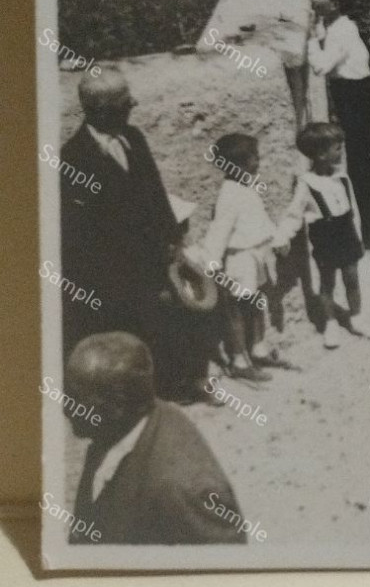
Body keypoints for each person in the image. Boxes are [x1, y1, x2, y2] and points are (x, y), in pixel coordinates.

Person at [58, 68, 214, 404]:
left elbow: (156, 193)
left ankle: (177, 385)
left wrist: (174, 241)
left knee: (167, 320)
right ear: (103, 109)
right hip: (112, 271)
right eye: (126, 100)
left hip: (153, 259)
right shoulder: (72, 158)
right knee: (127, 333)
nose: (134, 104)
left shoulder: (135, 138)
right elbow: (80, 232)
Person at [66, 332, 247, 545]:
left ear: (115, 407)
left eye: (76, 399)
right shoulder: (116, 428)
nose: (65, 407)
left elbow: (220, 573)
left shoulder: (187, 491)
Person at [308, 0, 370, 247]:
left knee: (360, 162)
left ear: (335, 4)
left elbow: (321, 66)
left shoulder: (342, 31)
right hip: (356, 94)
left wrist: (309, 40)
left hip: (353, 96)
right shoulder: (336, 26)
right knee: (367, 157)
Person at [276, 122, 370, 348]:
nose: (342, 151)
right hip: (325, 237)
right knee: (327, 282)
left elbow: (353, 211)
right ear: (321, 155)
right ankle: (330, 322)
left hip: (346, 232)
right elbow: (294, 214)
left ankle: (356, 317)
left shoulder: (342, 178)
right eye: (337, 148)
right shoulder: (307, 184)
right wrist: (282, 236)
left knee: (352, 278)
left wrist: (360, 236)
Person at [199, 133, 284, 383]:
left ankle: (257, 348)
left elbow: (259, 218)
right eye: (253, 159)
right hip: (239, 259)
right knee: (236, 310)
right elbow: (219, 230)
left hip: (256, 255)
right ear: (236, 165)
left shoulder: (246, 187)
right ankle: (237, 359)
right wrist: (212, 263)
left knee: (257, 302)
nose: (258, 163)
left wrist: (277, 239)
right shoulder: (228, 194)